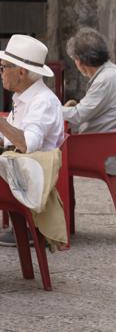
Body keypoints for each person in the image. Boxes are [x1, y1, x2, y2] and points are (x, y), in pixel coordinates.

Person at [0, 34, 64, 246]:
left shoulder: (42, 101)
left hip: (28, 178)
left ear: (21, 72)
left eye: (3, 68)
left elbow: (27, 144)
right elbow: (6, 139)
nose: (1, 73)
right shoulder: (23, 97)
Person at [63, 27, 116, 175]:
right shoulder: (112, 73)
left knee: (50, 156)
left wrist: (47, 107)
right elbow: (88, 109)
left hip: (106, 155)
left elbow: (78, 116)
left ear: (79, 61)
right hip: (114, 151)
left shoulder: (105, 80)